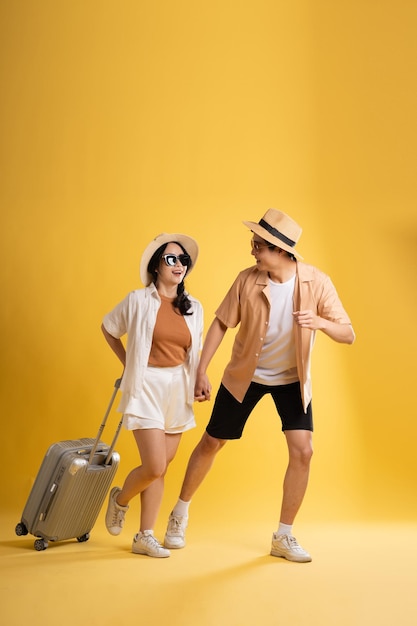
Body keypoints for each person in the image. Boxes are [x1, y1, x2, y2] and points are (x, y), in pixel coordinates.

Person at [164, 209, 355, 562]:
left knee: (304, 451)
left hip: (292, 380)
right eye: (253, 244)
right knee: (211, 442)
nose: (253, 251)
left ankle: (283, 536)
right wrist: (201, 371)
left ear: (281, 251)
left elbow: (349, 334)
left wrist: (321, 323)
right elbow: (221, 324)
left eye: (259, 246)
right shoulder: (247, 280)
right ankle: (179, 514)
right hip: (245, 376)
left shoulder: (316, 282)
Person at [102, 232, 203, 558]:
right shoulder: (138, 300)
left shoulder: (194, 307)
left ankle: (144, 535)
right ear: (156, 266)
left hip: (177, 388)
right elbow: (108, 327)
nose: (178, 265)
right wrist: (129, 363)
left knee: (161, 467)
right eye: (171, 259)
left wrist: (201, 378)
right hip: (146, 386)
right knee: (154, 465)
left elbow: (194, 352)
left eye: (183, 259)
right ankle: (120, 500)